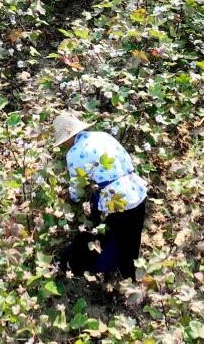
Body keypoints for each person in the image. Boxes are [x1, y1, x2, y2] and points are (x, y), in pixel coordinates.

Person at [53, 113, 149, 281]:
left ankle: (90, 267)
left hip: (114, 200)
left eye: (64, 142)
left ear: (69, 137)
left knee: (106, 239)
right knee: (132, 241)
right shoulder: (103, 136)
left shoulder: (74, 153)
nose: (64, 146)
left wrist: (72, 200)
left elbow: (77, 187)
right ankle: (130, 277)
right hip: (137, 190)